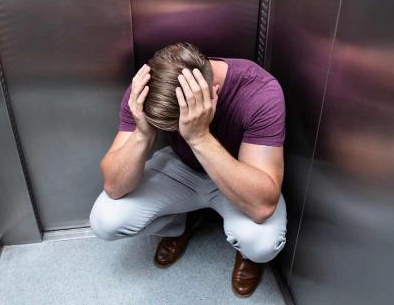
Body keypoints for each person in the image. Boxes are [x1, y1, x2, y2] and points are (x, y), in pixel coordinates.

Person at [90, 42, 287, 297]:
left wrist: (198, 137)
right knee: (105, 220)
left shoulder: (259, 91)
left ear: (213, 92)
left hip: (237, 174)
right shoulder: (147, 87)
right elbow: (114, 188)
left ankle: (245, 253)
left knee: (261, 244)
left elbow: (262, 207)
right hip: (181, 169)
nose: (175, 133)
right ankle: (181, 225)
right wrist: (142, 132)